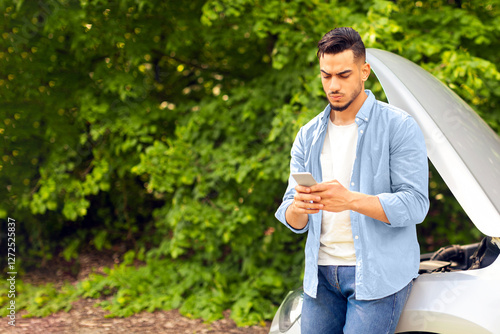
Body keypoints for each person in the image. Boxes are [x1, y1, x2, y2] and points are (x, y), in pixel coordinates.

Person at [275, 27, 429, 334]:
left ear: (364, 71)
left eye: (343, 75)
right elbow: (290, 213)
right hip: (320, 278)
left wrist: (350, 200)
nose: (333, 85)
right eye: (326, 75)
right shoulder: (307, 135)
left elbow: (415, 205)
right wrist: (299, 208)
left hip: (377, 276)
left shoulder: (399, 127)